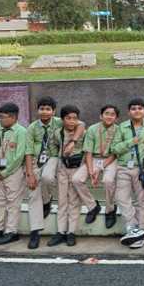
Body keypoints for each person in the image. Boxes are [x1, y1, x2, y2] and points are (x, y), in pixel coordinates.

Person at [50, 105, 100, 246]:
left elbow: (88, 150)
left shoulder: (84, 132)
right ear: (62, 119)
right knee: (61, 201)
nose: (72, 121)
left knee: (73, 201)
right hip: (62, 168)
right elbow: (55, 149)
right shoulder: (57, 132)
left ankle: (71, 232)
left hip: (77, 167)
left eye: (75, 118)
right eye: (68, 118)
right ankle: (60, 232)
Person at [110, 98, 144, 249]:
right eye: (134, 108)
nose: (137, 111)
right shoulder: (121, 127)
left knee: (142, 201)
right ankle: (133, 228)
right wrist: (131, 142)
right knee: (121, 198)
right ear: (129, 111)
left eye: (140, 108)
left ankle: (141, 230)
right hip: (123, 167)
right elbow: (115, 149)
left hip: (142, 169)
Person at [0, 102, 31, 245]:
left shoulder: (21, 132)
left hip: (13, 172)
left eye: (3, 117)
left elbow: (19, 156)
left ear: (13, 117)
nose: (0, 120)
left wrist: (6, 171)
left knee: (13, 201)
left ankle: (11, 231)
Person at [26, 97, 62, 249]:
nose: (45, 112)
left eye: (48, 109)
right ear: (37, 110)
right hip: (35, 160)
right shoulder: (32, 127)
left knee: (47, 178)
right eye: (42, 109)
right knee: (33, 191)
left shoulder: (60, 122)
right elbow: (27, 151)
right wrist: (29, 174)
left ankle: (47, 200)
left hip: (54, 157)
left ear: (53, 111)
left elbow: (80, 125)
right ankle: (35, 230)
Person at [82, 105, 120, 230]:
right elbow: (88, 152)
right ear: (101, 116)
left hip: (110, 159)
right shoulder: (92, 129)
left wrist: (100, 168)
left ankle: (110, 210)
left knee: (108, 181)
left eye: (112, 114)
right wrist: (91, 170)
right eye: (106, 113)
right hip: (93, 158)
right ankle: (93, 206)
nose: (109, 116)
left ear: (116, 117)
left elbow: (115, 153)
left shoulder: (118, 130)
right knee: (76, 179)